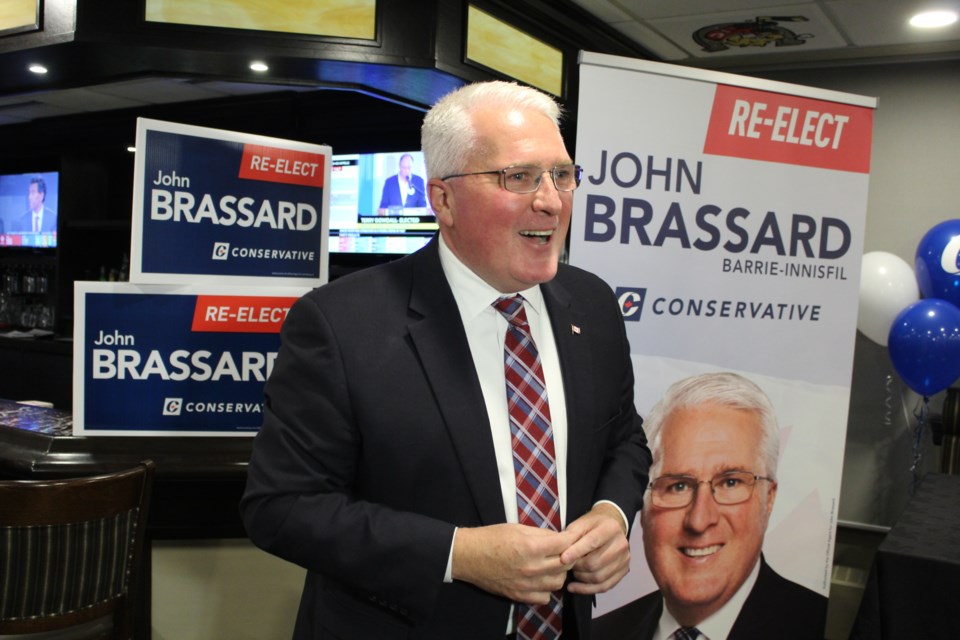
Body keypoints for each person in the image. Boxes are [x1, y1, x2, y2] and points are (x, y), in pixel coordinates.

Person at [241, 80, 651, 640]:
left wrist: (612, 513)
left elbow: (624, 437)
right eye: (519, 177)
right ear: (443, 200)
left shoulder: (595, 304)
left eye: (562, 174)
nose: (552, 200)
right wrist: (459, 554)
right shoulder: (340, 324)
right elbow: (283, 508)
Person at [593, 372, 827, 640]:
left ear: (769, 497)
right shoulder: (599, 633)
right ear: (641, 503)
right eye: (678, 486)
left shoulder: (821, 628)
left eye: (730, 483)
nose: (699, 519)